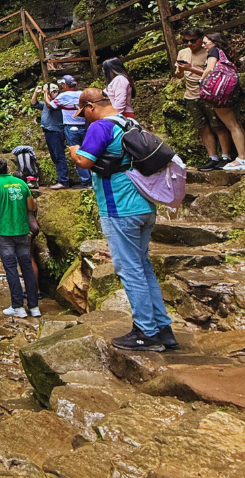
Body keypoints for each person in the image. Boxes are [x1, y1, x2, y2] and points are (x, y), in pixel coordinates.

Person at [69, 87, 175, 351]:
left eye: (84, 113)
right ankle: (163, 329)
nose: (84, 118)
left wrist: (73, 151)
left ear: (91, 107)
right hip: (144, 204)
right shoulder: (130, 122)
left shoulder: (100, 127)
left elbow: (84, 161)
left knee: (130, 270)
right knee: (143, 267)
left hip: (119, 208)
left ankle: (146, 333)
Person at [180, 33, 245, 172]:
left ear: (214, 42)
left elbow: (210, 68)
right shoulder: (225, 53)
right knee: (236, 124)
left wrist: (203, 82)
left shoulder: (214, 51)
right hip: (229, 92)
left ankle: (242, 158)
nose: (204, 45)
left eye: (205, 42)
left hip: (220, 94)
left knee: (232, 125)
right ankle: (243, 157)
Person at [0, 159, 39, 318]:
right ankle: (34, 306)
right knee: (27, 268)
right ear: (7, 168)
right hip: (22, 231)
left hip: (5, 233)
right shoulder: (20, 183)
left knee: (11, 269)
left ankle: (18, 307)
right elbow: (32, 207)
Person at [174, 27, 234, 170]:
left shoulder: (209, 51)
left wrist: (191, 68)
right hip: (191, 95)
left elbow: (214, 72)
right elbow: (178, 75)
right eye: (185, 41)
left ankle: (226, 156)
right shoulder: (183, 52)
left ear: (201, 39)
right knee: (203, 128)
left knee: (218, 125)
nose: (189, 44)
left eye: (193, 41)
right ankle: (212, 157)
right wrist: (180, 69)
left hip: (209, 94)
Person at [44, 76, 92, 187]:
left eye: (62, 85)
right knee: (88, 151)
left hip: (71, 127)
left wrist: (46, 93)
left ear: (66, 85)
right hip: (85, 126)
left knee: (76, 153)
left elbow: (49, 105)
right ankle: (92, 180)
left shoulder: (63, 96)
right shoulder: (82, 94)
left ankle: (86, 181)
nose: (61, 87)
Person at [30, 82, 72, 189]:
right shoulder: (46, 103)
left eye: (54, 92)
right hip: (49, 132)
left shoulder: (57, 103)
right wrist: (36, 93)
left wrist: (46, 93)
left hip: (56, 132)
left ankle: (63, 181)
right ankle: (62, 179)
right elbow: (34, 104)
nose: (52, 94)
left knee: (59, 156)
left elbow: (49, 105)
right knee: (55, 157)